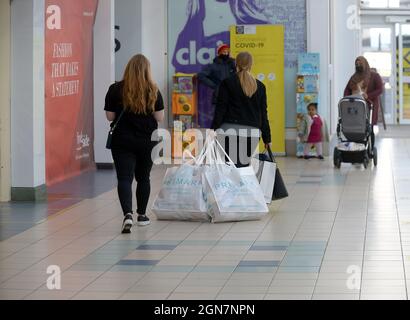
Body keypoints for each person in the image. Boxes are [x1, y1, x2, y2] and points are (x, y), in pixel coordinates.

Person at [104, 54, 165, 234]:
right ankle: (142, 215)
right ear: (147, 70)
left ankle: (127, 214)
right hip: (147, 141)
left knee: (124, 178)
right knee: (143, 177)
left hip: (122, 140)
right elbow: (159, 117)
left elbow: (110, 116)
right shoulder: (153, 90)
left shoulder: (115, 89)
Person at [211, 51, 271, 167]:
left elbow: (221, 109)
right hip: (252, 133)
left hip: (228, 131)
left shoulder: (227, 83)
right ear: (251, 65)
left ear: (236, 64)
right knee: (243, 169)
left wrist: (213, 129)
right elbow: (263, 114)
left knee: (228, 169)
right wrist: (267, 139)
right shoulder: (260, 86)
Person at [344, 56, 384, 149]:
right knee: (356, 128)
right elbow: (347, 90)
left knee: (370, 128)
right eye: (356, 64)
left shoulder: (374, 76)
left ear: (365, 63)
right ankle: (356, 149)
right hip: (355, 106)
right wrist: (347, 99)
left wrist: (368, 95)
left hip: (369, 106)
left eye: (360, 63)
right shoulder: (353, 77)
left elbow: (380, 89)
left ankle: (370, 149)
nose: (358, 65)